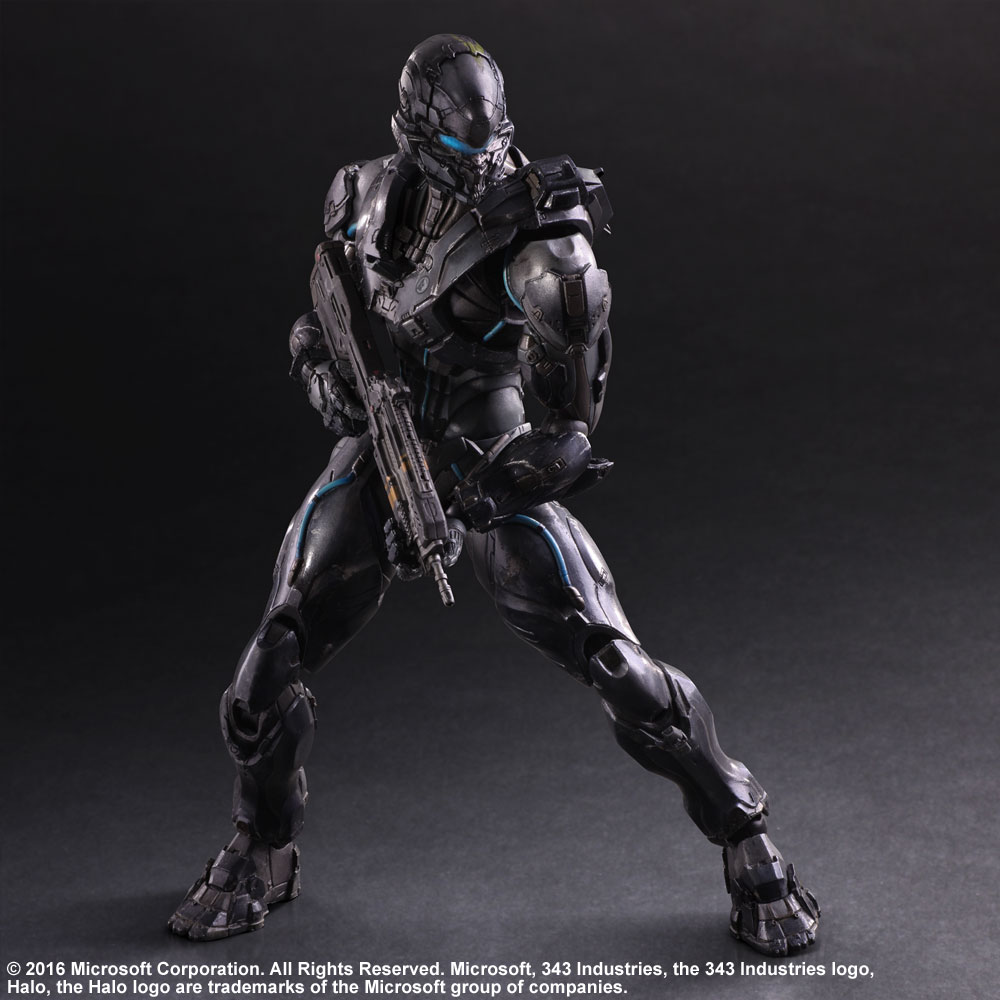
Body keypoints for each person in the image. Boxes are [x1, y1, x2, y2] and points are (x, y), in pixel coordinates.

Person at [168, 34, 819, 955]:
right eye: (450, 145)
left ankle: (747, 832)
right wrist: (322, 373)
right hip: (382, 447)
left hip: (490, 455)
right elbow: (325, 316)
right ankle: (261, 845)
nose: (475, 164)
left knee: (618, 667)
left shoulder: (543, 235)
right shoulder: (361, 191)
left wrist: (471, 500)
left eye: (486, 141)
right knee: (265, 670)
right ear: (408, 131)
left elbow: (572, 433)